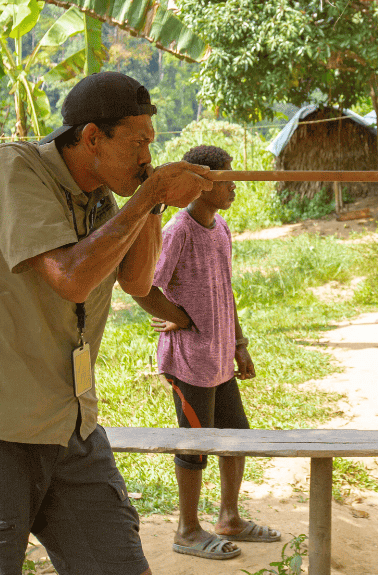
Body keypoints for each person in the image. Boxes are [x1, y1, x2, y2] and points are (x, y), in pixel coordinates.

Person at [0, 72, 212, 575]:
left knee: (116, 564)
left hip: (70, 424)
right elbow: (70, 277)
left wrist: (151, 200)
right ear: (91, 138)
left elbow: (136, 279)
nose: (148, 155)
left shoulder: (103, 198)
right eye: (138, 142)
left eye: (152, 142)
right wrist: (147, 197)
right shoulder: (13, 167)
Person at [131, 145, 280, 561]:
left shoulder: (221, 229)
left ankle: (229, 516)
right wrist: (176, 316)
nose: (235, 186)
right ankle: (187, 530)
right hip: (188, 362)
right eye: (227, 179)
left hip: (218, 359)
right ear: (202, 183)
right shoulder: (179, 230)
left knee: (235, 437)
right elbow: (145, 284)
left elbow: (226, 291)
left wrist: (240, 344)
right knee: (194, 445)